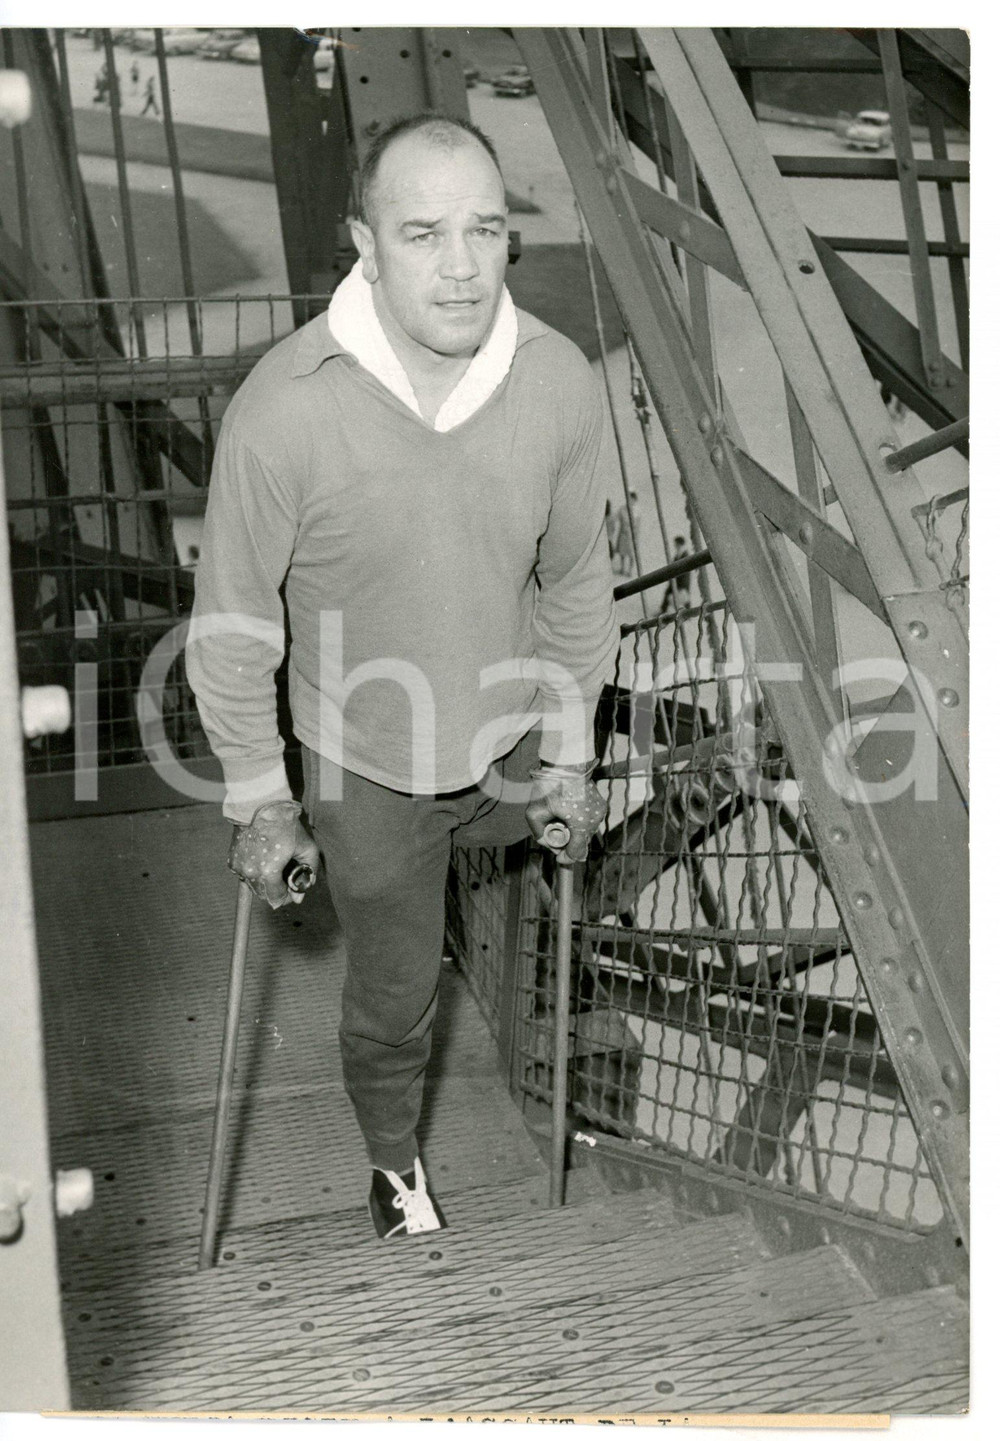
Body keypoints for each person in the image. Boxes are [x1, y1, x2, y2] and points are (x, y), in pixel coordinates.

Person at [186, 113, 619, 1241]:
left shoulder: (558, 382)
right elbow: (233, 629)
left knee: (620, 805)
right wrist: (258, 798)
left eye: (485, 229)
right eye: (422, 232)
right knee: (394, 992)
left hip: (509, 738)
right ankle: (393, 1165)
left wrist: (573, 757)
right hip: (369, 763)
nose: (464, 265)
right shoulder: (285, 410)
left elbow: (576, 585)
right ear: (363, 244)